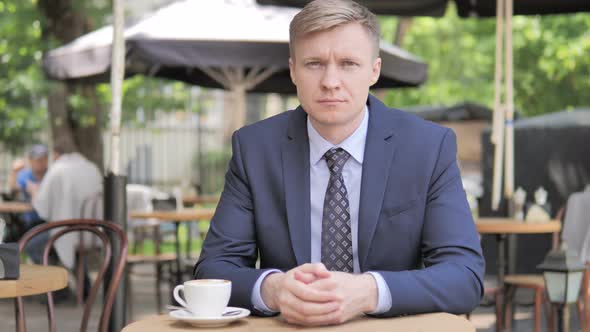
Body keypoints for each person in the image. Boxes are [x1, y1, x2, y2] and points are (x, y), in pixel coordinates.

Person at [194, 0, 484, 326]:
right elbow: (214, 268)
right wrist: (274, 289)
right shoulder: (254, 149)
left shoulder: (428, 148)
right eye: (314, 63)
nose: (330, 81)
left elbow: (464, 275)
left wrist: (368, 291)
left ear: (374, 70)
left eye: (348, 63)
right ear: (293, 70)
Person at [30, 142, 103, 270]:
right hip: (93, 233)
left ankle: (58, 287)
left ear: (57, 155)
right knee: (73, 254)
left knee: (32, 245)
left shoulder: (59, 169)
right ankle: (83, 288)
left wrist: (34, 192)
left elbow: (41, 208)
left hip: (66, 232)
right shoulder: (91, 168)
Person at [5, 144, 49, 262]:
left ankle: (44, 271)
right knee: (7, 239)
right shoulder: (25, 175)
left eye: (43, 159)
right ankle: (9, 272)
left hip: (46, 222)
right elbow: (13, 189)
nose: (40, 162)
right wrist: (14, 172)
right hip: (28, 222)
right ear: (30, 160)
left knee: (31, 245)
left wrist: (36, 191)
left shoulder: (51, 175)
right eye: (37, 159)